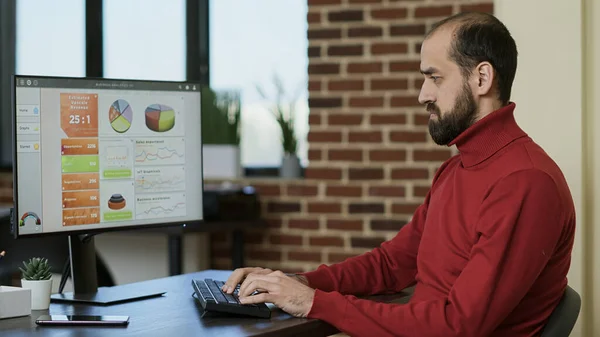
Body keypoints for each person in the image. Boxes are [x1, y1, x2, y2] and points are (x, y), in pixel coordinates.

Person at [223, 11, 576, 337]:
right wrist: (297, 282)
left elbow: (458, 326)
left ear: (482, 78)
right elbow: (392, 264)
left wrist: (312, 302)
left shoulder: (525, 182)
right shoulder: (455, 170)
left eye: (434, 77)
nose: (423, 94)